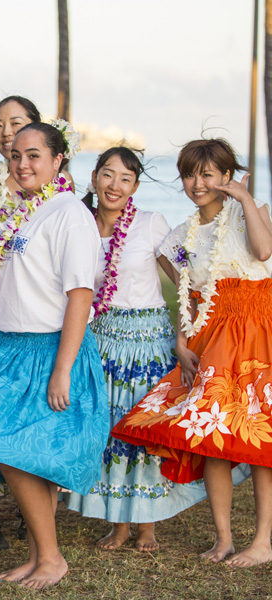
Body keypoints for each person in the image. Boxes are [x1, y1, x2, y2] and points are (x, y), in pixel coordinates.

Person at [0, 123, 109, 589]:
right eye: (15, 156)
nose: (22, 164)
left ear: (58, 161)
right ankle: (40, 556)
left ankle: (51, 558)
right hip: (10, 348)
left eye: (34, 155)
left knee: (16, 449)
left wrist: (62, 370)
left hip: (50, 348)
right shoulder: (22, 211)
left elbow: (80, 296)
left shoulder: (69, 214)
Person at [112, 138, 272, 567]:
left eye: (208, 174)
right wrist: (183, 342)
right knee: (210, 436)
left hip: (257, 332)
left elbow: (263, 252)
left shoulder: (250, 212)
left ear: (225, 176)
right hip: (211, 338)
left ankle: (263, 542)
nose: (198, 183)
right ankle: (223, 538)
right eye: (190, 174)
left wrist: (243, 196)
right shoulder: (180, 237)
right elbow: (188, 295)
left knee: (259, 437)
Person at [61, 147, 212, 550]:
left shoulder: (150, 223)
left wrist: (184, 340)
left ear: (135, 186)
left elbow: (186, 283)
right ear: (93, 178)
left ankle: (147, 524)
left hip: (148, 341)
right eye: (107, 175)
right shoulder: (79, 226)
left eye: (125, 178)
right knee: (109, 432)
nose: (115, 185)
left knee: (142, 431)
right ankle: (119, 523)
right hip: (101, 340)